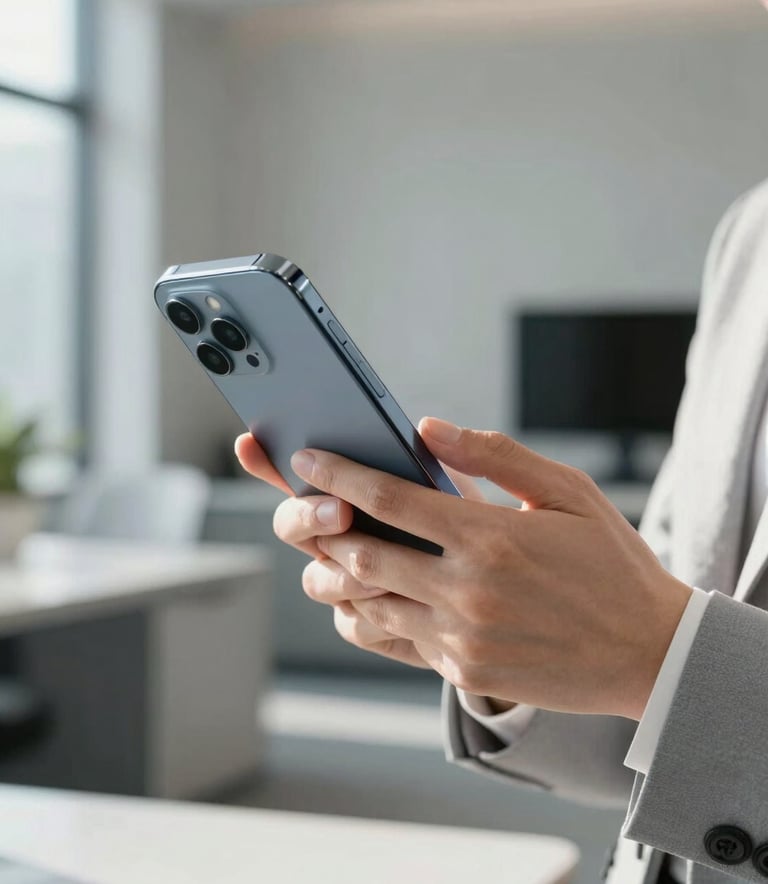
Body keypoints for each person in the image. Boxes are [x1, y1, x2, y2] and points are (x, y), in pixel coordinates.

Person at [234, 66, 768, 884]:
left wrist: (656, 655)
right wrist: (499, 639)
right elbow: (655, 734)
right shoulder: (751, 234)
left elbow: (674, 660)